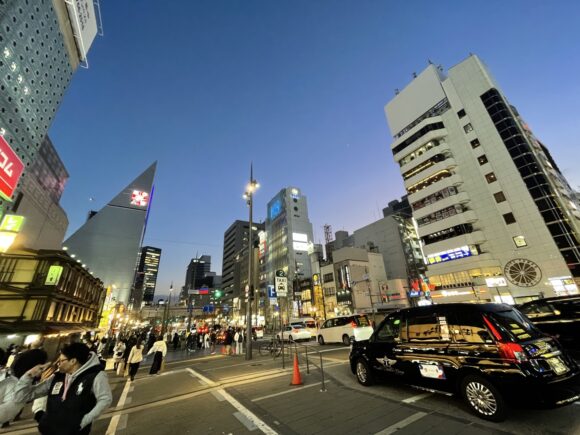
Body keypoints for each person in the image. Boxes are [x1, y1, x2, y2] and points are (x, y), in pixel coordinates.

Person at [14, 342, 112, 435]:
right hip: (50, 431)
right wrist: (29, 375)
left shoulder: (96, 375)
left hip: (75, 432)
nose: (58, 364)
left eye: (61, 361)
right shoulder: (57, 377)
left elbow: (105, 399)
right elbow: (21, 397)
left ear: (73, 361)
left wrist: (83, 421)